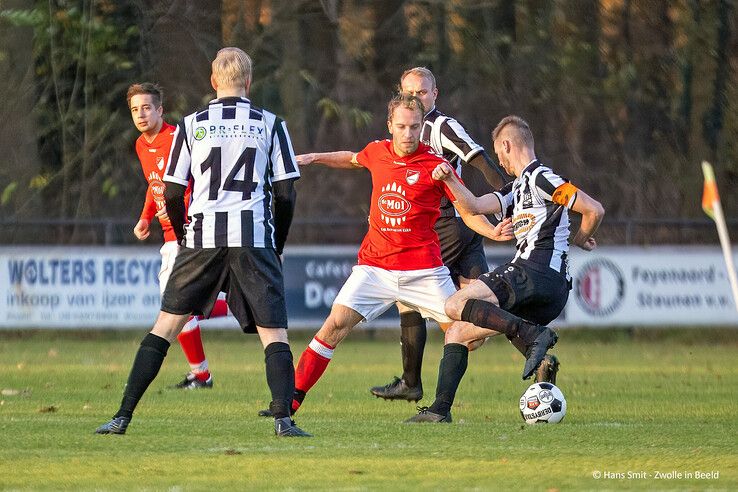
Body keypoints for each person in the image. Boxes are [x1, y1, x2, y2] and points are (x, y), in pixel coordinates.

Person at [96, 47, 310, 437]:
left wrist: (182, 234)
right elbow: (286, 193)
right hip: (253, 238)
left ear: (213, 82)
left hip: (201, 238)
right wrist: (276, 242)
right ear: (249, 82)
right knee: (273, 332)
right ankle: (283, 420)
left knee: (164, 327)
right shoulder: (271, 124)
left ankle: (122, 416)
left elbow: (173, 192)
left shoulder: (191, 124)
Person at [283, 94, 519, 418]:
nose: (408, 134)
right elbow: (351, 158)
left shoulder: (437, 165)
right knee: (333, 326)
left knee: (468, 336)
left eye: (415, 127)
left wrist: (491, 231)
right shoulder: (377, 152)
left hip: (424, 271)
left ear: (422, 128)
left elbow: (467, 208)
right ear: (390, 125)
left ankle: (520, 324)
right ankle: (289, 403)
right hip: (374, 268)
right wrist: (312, 158)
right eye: (402, 126)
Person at [406, 115, 604, 422]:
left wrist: (581, 238)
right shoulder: (516, 190)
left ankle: (533, 335)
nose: (501, 163)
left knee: (455, 303)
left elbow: (593, 209)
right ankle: (439, 411)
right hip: (547, 292)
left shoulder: (540, 177)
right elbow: (472, 205)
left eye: (499, 156)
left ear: (507, 145)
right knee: (457, 333)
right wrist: (448, 179)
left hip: (535, 272)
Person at [127, 82, 229, 390]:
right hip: (170, 233)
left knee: (173, 305)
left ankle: (202, 373)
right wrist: (146, 217)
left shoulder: (176, 138)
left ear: (160, 109)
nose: (141, 114)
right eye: (135, 109)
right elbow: (155, 184)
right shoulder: (141, 145)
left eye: (147, 107)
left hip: (188, 230)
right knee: (179, 306)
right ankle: (202, 372)